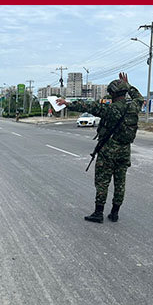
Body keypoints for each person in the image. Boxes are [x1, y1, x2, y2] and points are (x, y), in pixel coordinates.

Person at [57, 72, 144, 223]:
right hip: (125, 151)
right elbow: (139, 97)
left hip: (108, 150)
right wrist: (128, 85)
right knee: (120, 183)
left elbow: (89, 106)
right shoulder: (134, 106)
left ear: (112, 93)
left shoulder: (110, 109)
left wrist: (67, 103)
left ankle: (98, 213)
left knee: (102, 182)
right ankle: (115, 213)